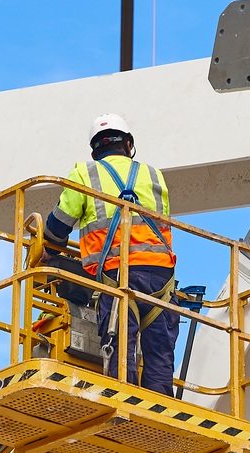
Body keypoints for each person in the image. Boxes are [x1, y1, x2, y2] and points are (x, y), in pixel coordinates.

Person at [42, 114, 179, 393]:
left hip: (118, 275)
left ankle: (124, 403)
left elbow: (58, 227)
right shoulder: (153, 175)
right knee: (159, 352)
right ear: (129, 144)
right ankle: (160, 406)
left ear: (94, 151)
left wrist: (47, 249)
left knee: (119, 347)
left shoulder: (85, 173)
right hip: (161, 277)